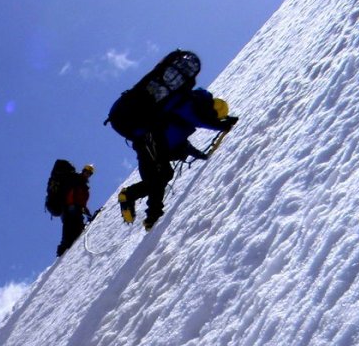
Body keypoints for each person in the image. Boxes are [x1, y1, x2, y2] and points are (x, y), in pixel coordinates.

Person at [118, 88, 237, 230]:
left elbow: (185, 146)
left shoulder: (188, 109)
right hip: (149, 142)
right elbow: (201, 120)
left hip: (152, 144)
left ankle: (143, 208)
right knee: (158, 178)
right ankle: (146, 211)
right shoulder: (190, 103)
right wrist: (223, 125)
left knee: (165, 174)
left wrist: (202, 155)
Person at [45, 162, 95, 257]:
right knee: (70, 225)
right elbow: (73, 195)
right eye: (87, 172)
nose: (87, 174)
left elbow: (82, 203)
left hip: (72, 208)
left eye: (89, 173)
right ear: (83, 170)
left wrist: (87, 213)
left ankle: (65, 245)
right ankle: (64, 246)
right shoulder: (75, 178)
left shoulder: (84, 186)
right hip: (69, 207)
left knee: (73, 226)